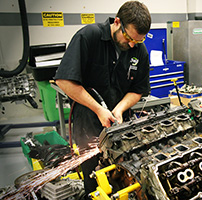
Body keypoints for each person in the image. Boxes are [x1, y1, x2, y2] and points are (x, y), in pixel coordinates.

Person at [54, 1, 151, 198]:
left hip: (120, 125)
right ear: (117, 22)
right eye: (129, 38)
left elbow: (139, 89)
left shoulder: (139, 50)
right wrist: (99, 109)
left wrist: (120, 109)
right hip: (88, 124)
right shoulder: (88, 36)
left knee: (124, 177)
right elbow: (65, 81)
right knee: (95, 179)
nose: (132, 44)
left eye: (138, 41)